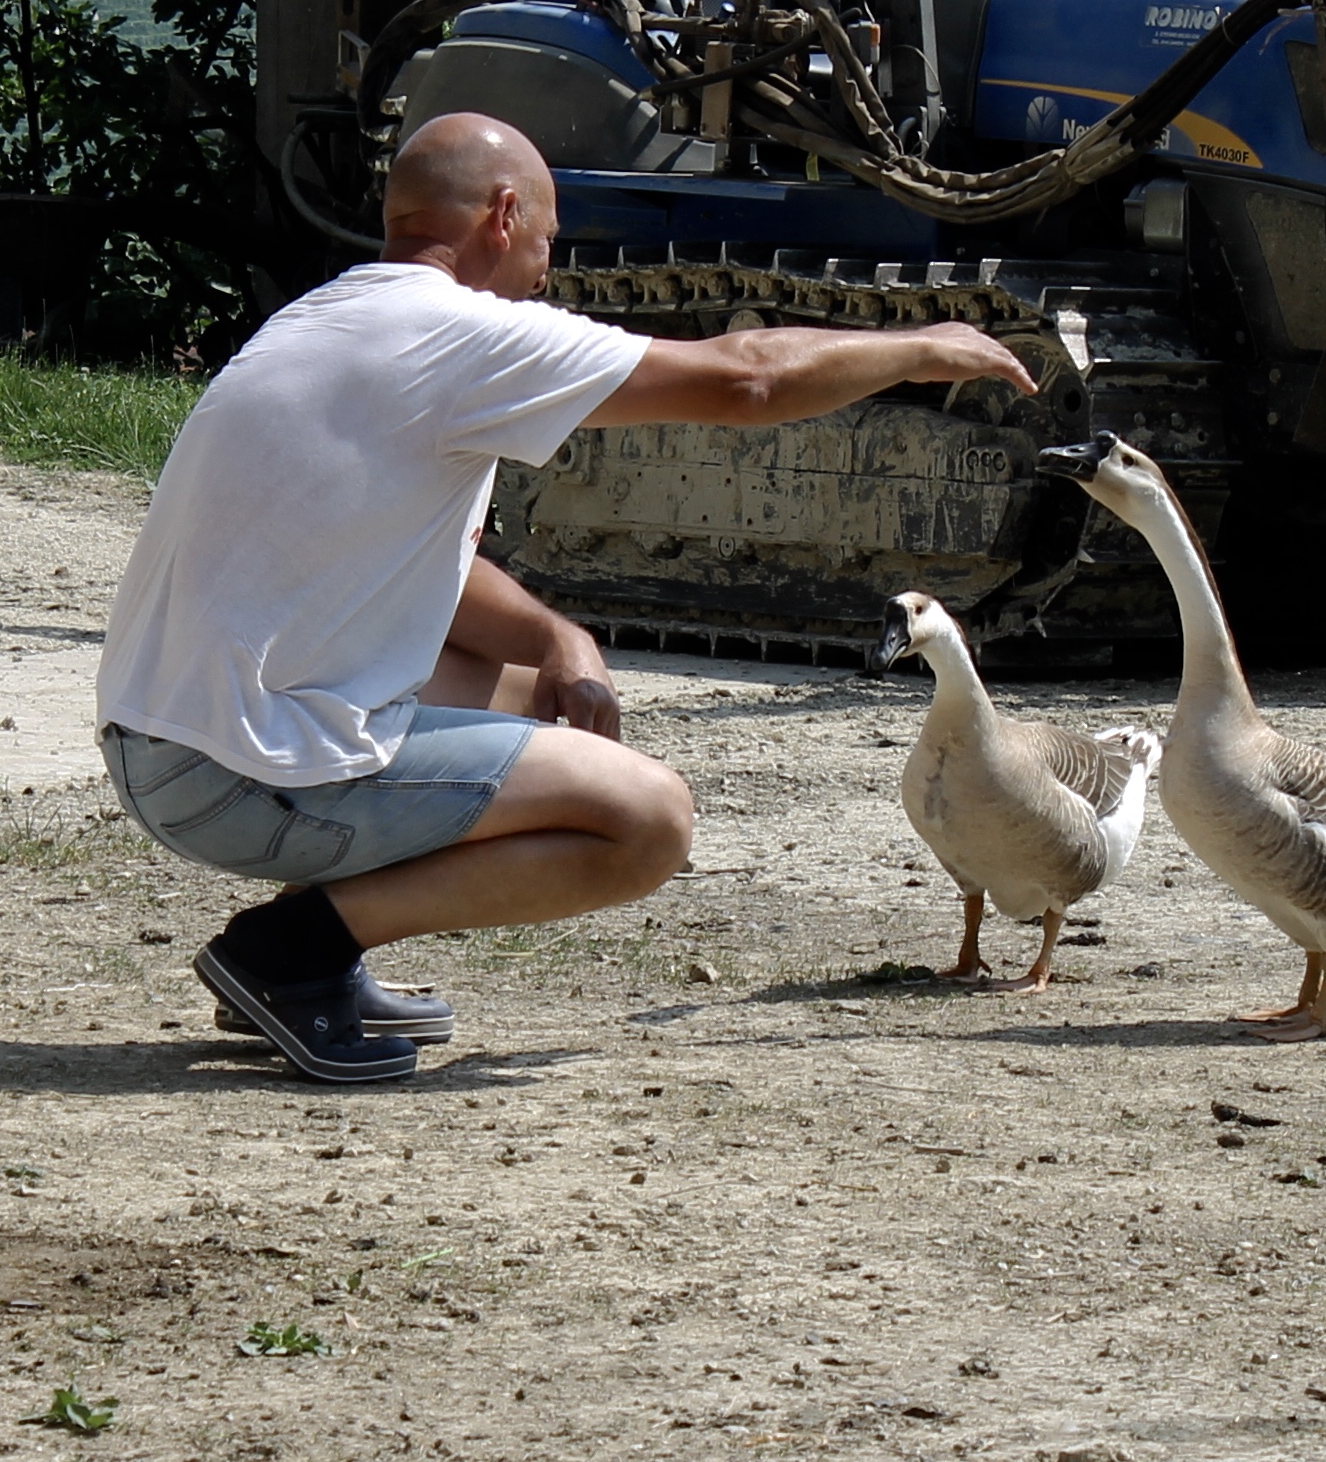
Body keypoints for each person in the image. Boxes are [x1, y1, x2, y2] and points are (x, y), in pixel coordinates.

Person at [94, 110, 1036, 1082]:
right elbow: (745, 381)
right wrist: (920, 347)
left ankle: (315, 953)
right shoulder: (460, 335)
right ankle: (292, 951)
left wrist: (559, 638)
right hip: (229, 775)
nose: (548, 269)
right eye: (548, 241)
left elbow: (411, 578)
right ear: (503, 215)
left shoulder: (327, 318)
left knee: (504, 675)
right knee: (647, 819)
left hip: (166, 745)